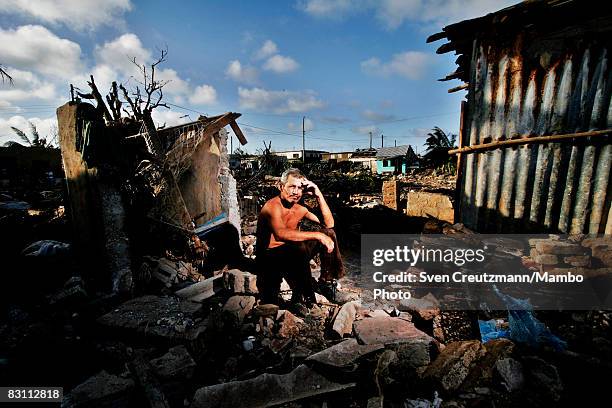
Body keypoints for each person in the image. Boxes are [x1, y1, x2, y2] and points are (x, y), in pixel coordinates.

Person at [256, 168, 344, 310]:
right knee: (299, 246)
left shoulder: (299, 208)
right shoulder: (272, 206)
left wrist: (318, 194)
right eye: (292, 187)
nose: (296, 192)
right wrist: (317, 235)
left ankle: (326, 282)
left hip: (293, 254)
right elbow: (280, 233)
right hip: (270, 258)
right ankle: (306, 296)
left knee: (329, 234)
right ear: (281, 186)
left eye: (300, 188)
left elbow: (329, 224)